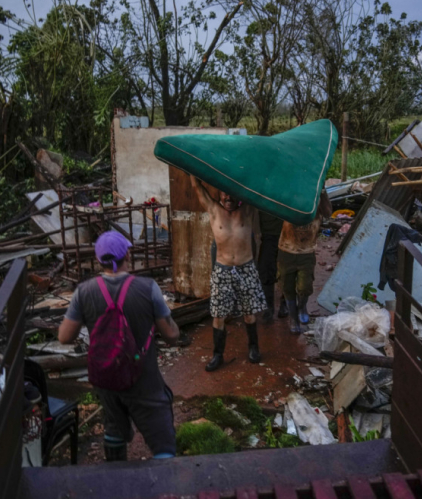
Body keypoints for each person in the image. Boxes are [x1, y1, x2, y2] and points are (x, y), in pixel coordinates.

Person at [58, 231, 179, 461]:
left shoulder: (83, 292)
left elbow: (64, 337)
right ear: (128, 255)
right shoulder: (148, 287)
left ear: (98, 260)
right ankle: (166, 486)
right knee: (162, 439)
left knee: (113, 425)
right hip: (143, 379)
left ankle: (116, 478)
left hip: (106, 379)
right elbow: (172, 334)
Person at [191, 176, 267, 372]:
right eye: (224, 193)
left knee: (249, 314)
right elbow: (196, 185)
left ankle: (253, 348)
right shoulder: (214, 210)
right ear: (219, 194)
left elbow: (259, 188)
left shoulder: (248, 210)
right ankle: (217, 355)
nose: (228, 197)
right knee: (218, 315)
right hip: (222, 270)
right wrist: (190, 166)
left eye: (231, 193)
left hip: (246, 268)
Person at [278, 190, 333, 334]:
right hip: (287, 250)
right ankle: (293, 318)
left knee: (304, 287)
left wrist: (322, 193)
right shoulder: (290, 195)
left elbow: (328, 213)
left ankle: (302, 307)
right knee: (287, 286)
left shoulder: (317, 198)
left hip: (306, 251)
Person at [257, 211, 287, 322]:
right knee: (265, 271)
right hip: (269, 235)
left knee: (287, 272)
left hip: (288, 234)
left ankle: (285, 303)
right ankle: (269, 307)